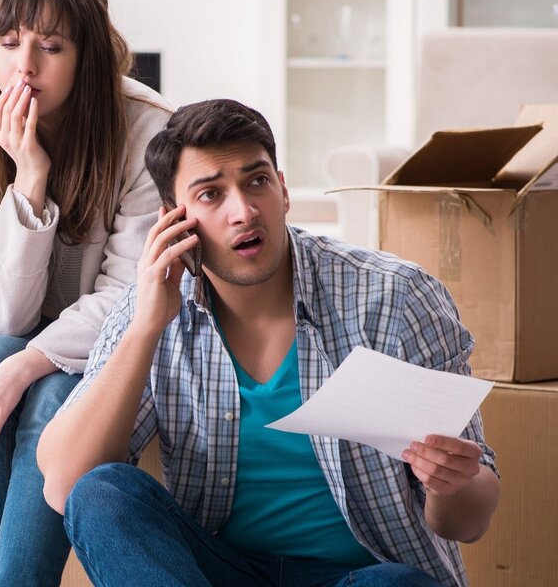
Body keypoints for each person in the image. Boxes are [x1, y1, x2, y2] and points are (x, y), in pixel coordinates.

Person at [36, 99, 500, 587]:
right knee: (102, 493)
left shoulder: (396, 296)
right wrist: (146, 328)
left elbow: (468, 522)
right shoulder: (148, 305)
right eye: (211, 195)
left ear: (282, 189)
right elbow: (67, 486)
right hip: (220, 572)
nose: (243, 211)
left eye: (256, 181)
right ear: (175, 220)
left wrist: (450, 486)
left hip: (363, 577)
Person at [0, 0, 174, 584]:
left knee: (48, 397)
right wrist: (29, 178)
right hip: (35, 335)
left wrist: (24, 368)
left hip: (127, 346)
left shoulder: (148, 135)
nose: (25, 66)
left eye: (50, 47)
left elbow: (131, 298)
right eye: (10, 43)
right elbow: (2, 317)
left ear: (86, 55)